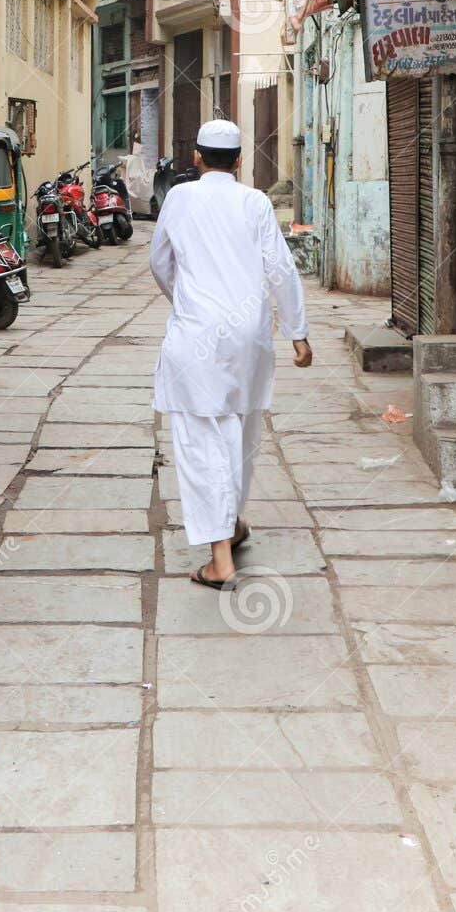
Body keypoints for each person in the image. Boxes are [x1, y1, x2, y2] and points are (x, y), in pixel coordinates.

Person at [149, 118, 312, 589]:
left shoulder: (179, 198)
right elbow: (280, 268)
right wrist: (298, 332)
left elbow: (160, 262)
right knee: (241, 434)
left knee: (202, 442)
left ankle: (220, 558)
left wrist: (186, 299)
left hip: (197, 336)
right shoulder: (255, 201)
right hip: (249, 335)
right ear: (239, 160)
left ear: (196, 157)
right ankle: (233, 523)